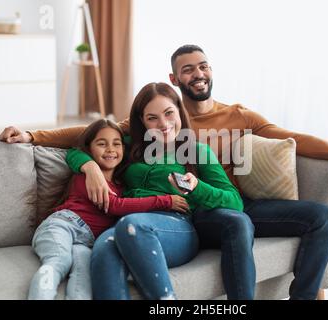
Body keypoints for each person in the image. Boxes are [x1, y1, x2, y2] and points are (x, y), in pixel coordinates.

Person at [0, 45, 328, 299]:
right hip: (172, 215)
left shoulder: (233, 119)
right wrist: (43, 140)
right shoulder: (139, 131)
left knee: (313, 217)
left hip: (214, 205)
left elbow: (288, 139)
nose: (198, 73)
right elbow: (87, 137)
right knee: (108, 249)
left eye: (202, 65)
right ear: (175, 78)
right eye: (188, 68)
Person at [67, 82, 251, 299]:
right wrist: (90, 168)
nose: (163, 124)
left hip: (175, 228)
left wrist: (197, 188)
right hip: (124, 222)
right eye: (152, 118)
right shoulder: (128, 146)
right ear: (142, 122)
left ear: (179, 111)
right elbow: (76, 148)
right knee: (103, 249)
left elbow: (235, 202)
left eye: (169, 113)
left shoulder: (197, 151)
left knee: (131, 225)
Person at [28, 119, 182, 299]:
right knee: (59, 261)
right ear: (89, 149)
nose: (110, 149)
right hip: (62, 225)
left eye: (117, 144)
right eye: (102, 144)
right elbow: (115, 206)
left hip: (86, 242)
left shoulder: (121, 186)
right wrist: (165, 201)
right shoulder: (86, 176)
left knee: (83, 277)